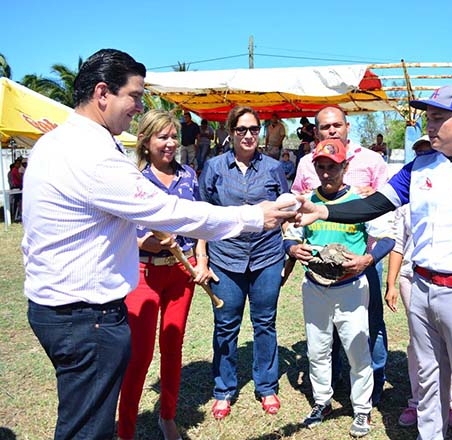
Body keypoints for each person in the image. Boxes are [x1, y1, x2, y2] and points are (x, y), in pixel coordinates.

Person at [21, 48, 296, 440]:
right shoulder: (92, 154)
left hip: (59, 309)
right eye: (134, 96)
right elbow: (170, 212)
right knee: (87, 428)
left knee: (82, 418)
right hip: (85, 317)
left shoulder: (56, 143)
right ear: (103, 93)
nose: (139, 106)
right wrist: (254, 217)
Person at [296, 84, 452, 440]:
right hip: (421, 289)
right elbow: (374, 204)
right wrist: (324, 211)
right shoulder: (419, 166)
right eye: (427, 118)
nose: (428, 126)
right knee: (428, 384)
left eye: (437, 118)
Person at [284, 138, 395, 438]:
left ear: (345, 167)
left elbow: (388, 238)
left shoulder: (359, 201)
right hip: (315, 286)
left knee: (357, 352)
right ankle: (322, 402)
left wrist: (368, 259)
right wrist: (292, 248)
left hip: (350, 287)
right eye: (321, 166)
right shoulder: (307, 200)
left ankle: (362, 409)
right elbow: (290, 235)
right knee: (317, 349)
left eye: (332, 167)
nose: (326, 172)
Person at [117, 110, 216, 440]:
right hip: (143, 275)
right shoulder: (134, 181)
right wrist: (152, 242)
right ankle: (126, 428)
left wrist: (201, 259)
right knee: (140, 355)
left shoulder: (188, 176)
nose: (171, 143)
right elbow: (126, 233)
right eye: (163, 137)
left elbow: (199, 221)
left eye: (174, 136)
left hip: (181, 274)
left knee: (172, 347)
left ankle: (168, 416)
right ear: (146, 141)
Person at [200, 106, 289, 420]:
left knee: (265, 323)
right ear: (231, 132)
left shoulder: (274, 168)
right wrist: (202, 258)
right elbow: (203, 216)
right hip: (226, 258)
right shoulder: (214, 167)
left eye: (253, 129)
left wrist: (288, 252)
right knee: (226, 325)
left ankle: (266, 386)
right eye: (241, 130)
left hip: (266, 257)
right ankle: (224, 389)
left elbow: (286, 210)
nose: (248, 135)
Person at [385, 135, 452, 431]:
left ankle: (450, 403)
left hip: (447, 277)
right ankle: (418, 402)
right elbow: (397, 243)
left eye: (430, 151)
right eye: (419, 152)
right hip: (411, 276)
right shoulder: (406, 198)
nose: (424, 157)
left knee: (450, 343)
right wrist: (391, 283)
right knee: (420, 343)